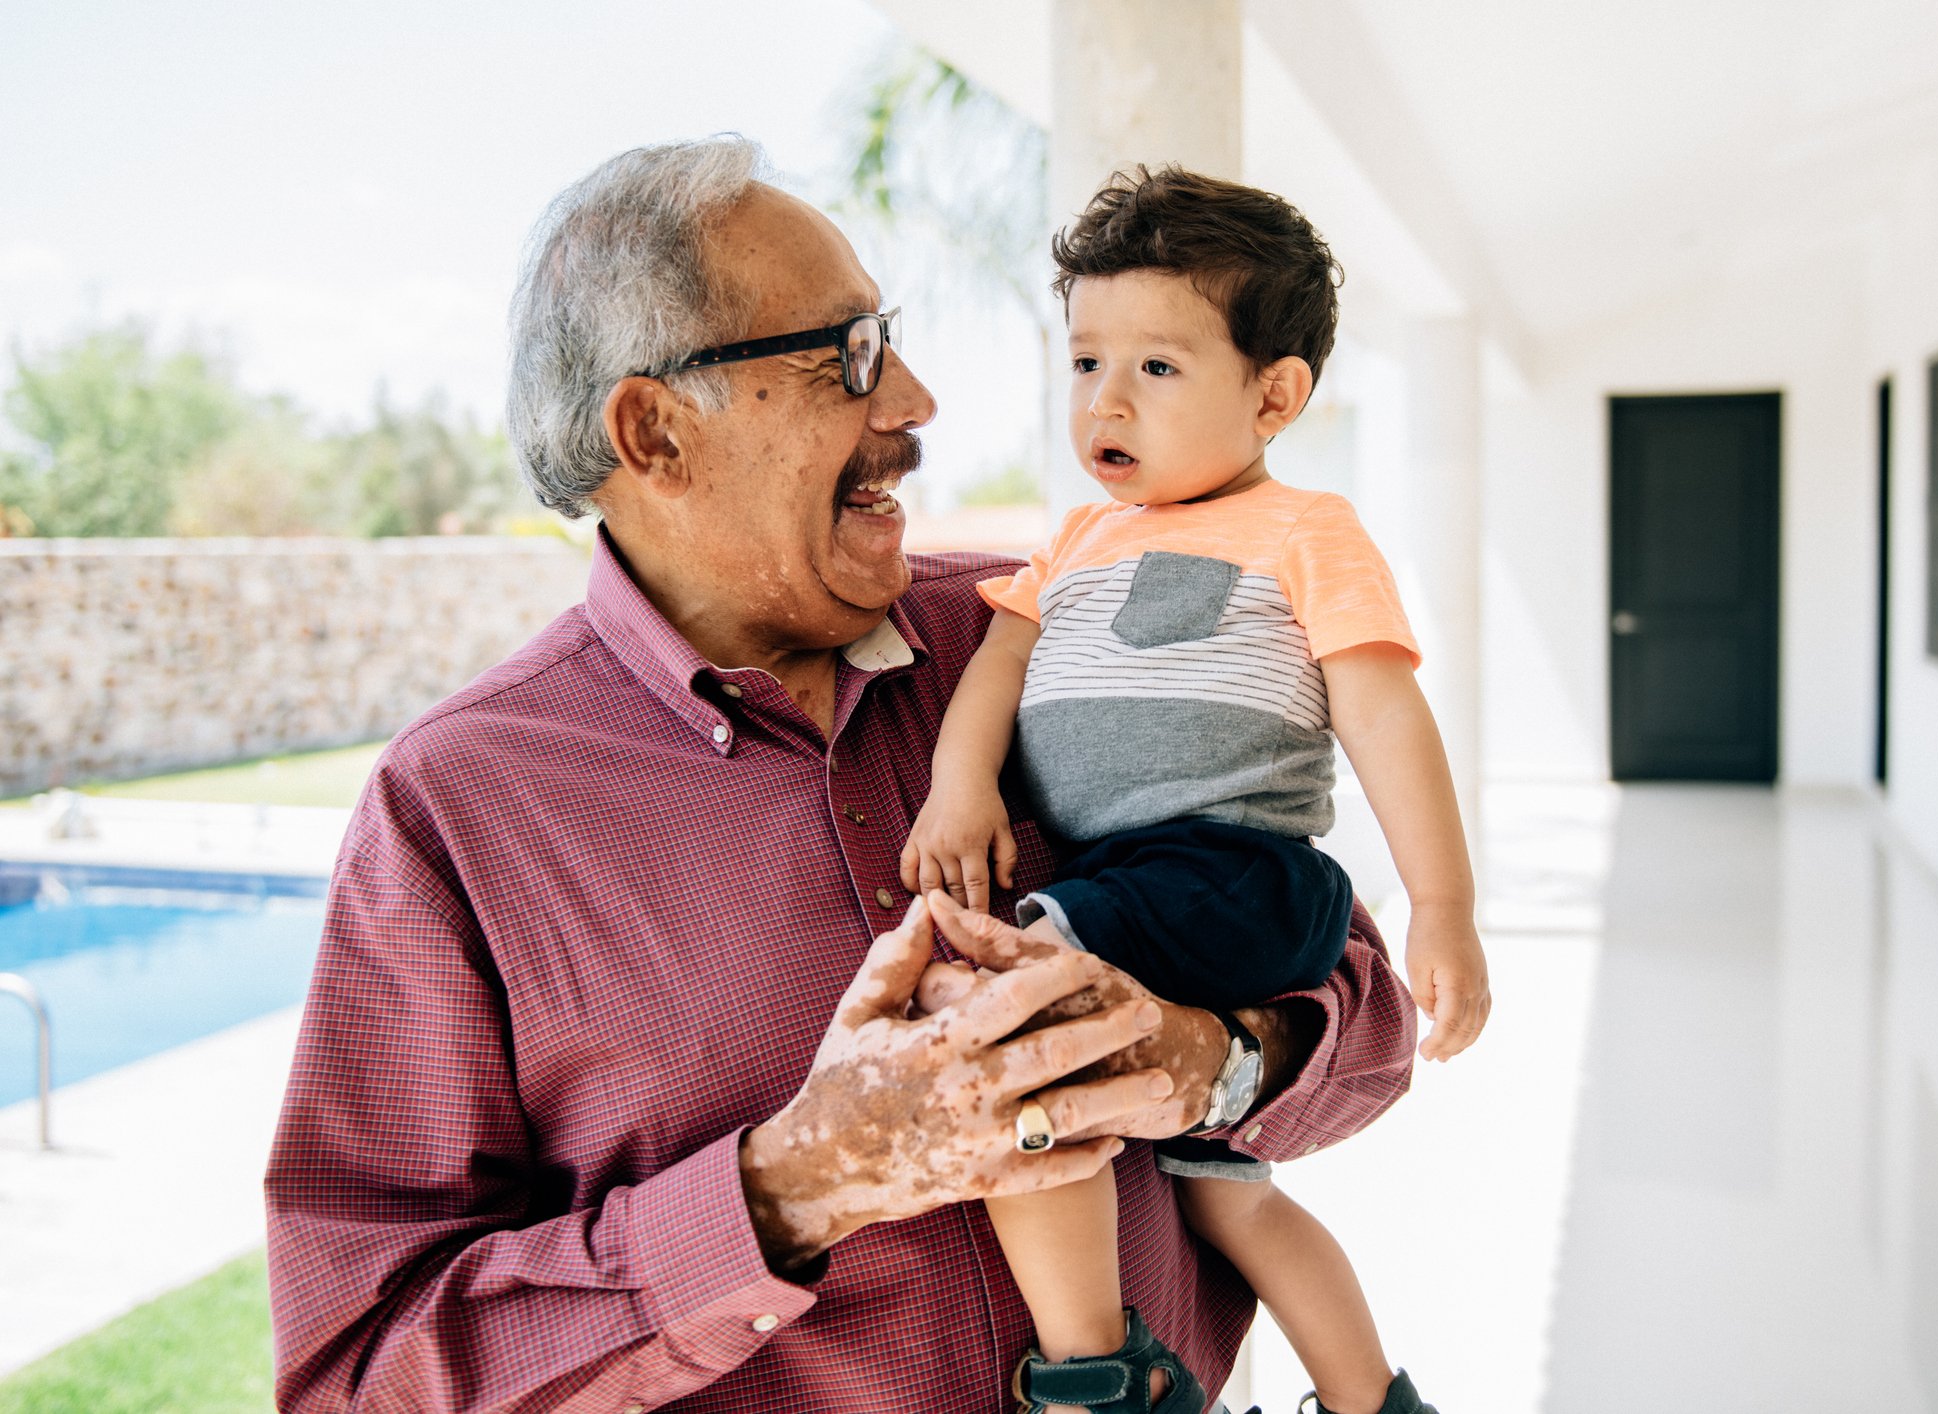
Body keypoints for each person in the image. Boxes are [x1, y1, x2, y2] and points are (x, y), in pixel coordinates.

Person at [263, 138, 1418, 1413]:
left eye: (896, 339)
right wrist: (800, 1182)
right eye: (849, 354)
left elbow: (1365, 1013)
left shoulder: (1033, 641)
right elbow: (360, 1377)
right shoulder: (458, 809)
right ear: (653, 432)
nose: (917, 399)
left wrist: (1214, 1061)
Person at [901, 168, 1492, 1414]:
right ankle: (1372, 1399)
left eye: (1156, 369)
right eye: (1084, 362)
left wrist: (1442, 905)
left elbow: (1384, 711)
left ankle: (1098, 1374)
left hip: (1234, 870)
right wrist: (959, 787)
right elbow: (996, 678)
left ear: (1274, 393)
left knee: (1011, 1018)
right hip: (1128, 884)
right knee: (1228, 1195)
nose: (1105, 400)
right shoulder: (1068, 544)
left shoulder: (1303, 530)